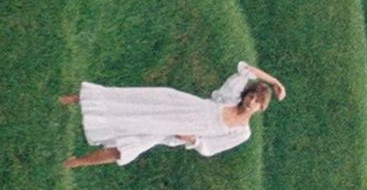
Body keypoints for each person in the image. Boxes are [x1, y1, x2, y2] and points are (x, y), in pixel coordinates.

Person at [60, 61, 286, 168]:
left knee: (128, 148)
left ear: (260, 108)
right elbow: (246, 69)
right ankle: (71, 99)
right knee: (129, 102)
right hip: (176, 105)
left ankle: (76, 162)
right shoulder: (230, 98)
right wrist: (274, 82)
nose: (251, 101)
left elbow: (210, 148)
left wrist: (192, 139)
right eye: (252, 96)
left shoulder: (241, 132)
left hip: (174, 130)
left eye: (257, 102)